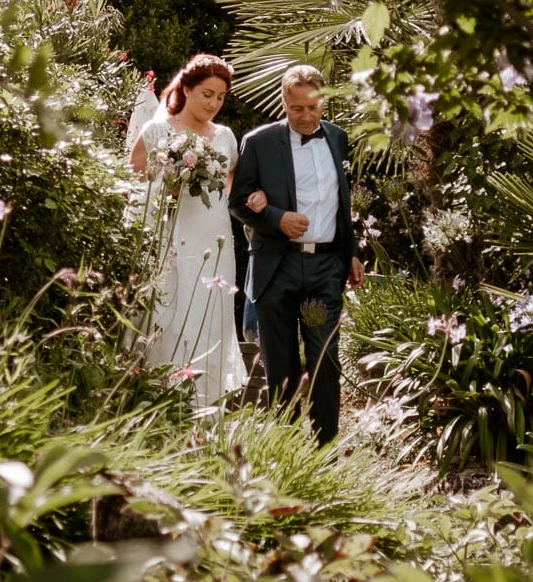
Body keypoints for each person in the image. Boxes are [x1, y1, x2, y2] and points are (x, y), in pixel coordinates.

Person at [229, 64, 364, 444]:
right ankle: (286, 452)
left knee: (325, 359)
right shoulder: (258, 142)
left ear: (324, 101)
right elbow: (238, 202)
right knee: (281, 367)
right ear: (284, 103)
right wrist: (276, 218)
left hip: (325, 267)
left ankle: (325, 452)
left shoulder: (338, 138)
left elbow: (341, 202)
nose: (305, 117)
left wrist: (349, 252)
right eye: (296, 109)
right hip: (277, 265)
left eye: (313, 108)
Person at [129, 54, 249, 407]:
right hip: (169, 238)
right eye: (206, 94)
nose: (213, 103)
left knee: (209, 319)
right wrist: (168, 187)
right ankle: (158, 402)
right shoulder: (157, 131)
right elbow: (134, 179)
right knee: (168, 315)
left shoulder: (225, 137)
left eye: (220, 97)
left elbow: (231, 188)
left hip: (214, 241)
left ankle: (203, 407)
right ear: (186, 89)